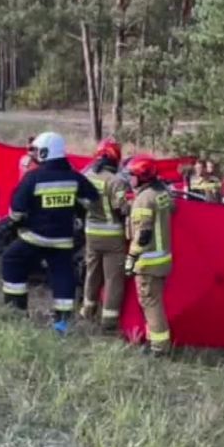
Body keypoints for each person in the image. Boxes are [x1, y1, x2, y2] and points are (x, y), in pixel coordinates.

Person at [0, 131, 99, 336]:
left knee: (11, 259)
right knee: (63, 275)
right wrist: (76, 212)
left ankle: (16, 309)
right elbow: (92, 200)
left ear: (46, 152)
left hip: (33, 238)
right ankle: (62, 324)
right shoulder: (74, 177)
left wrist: (14, 222)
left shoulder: (33, 177)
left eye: (37, 150)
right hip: (62, 240)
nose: (35, 154)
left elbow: (16, 211)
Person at [125, 156, 174, 355]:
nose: (129, 179)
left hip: (148, 262)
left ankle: (158, 347)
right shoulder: (161, 193)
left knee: (150, 303)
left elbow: (143, 235)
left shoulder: (143, 200)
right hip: (163, 260)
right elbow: (173, 208)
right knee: (153, 302)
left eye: (132, 175)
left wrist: (131, 258)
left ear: (142, 177)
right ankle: (153, 341)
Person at [81, 138, 131, 330]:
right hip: (112, 236)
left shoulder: (87, 175)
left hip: (91, 233)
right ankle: (109, 321)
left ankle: (87, 310)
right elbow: (122, 208)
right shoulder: (117, 181)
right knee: (113, 279)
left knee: (92, 273)